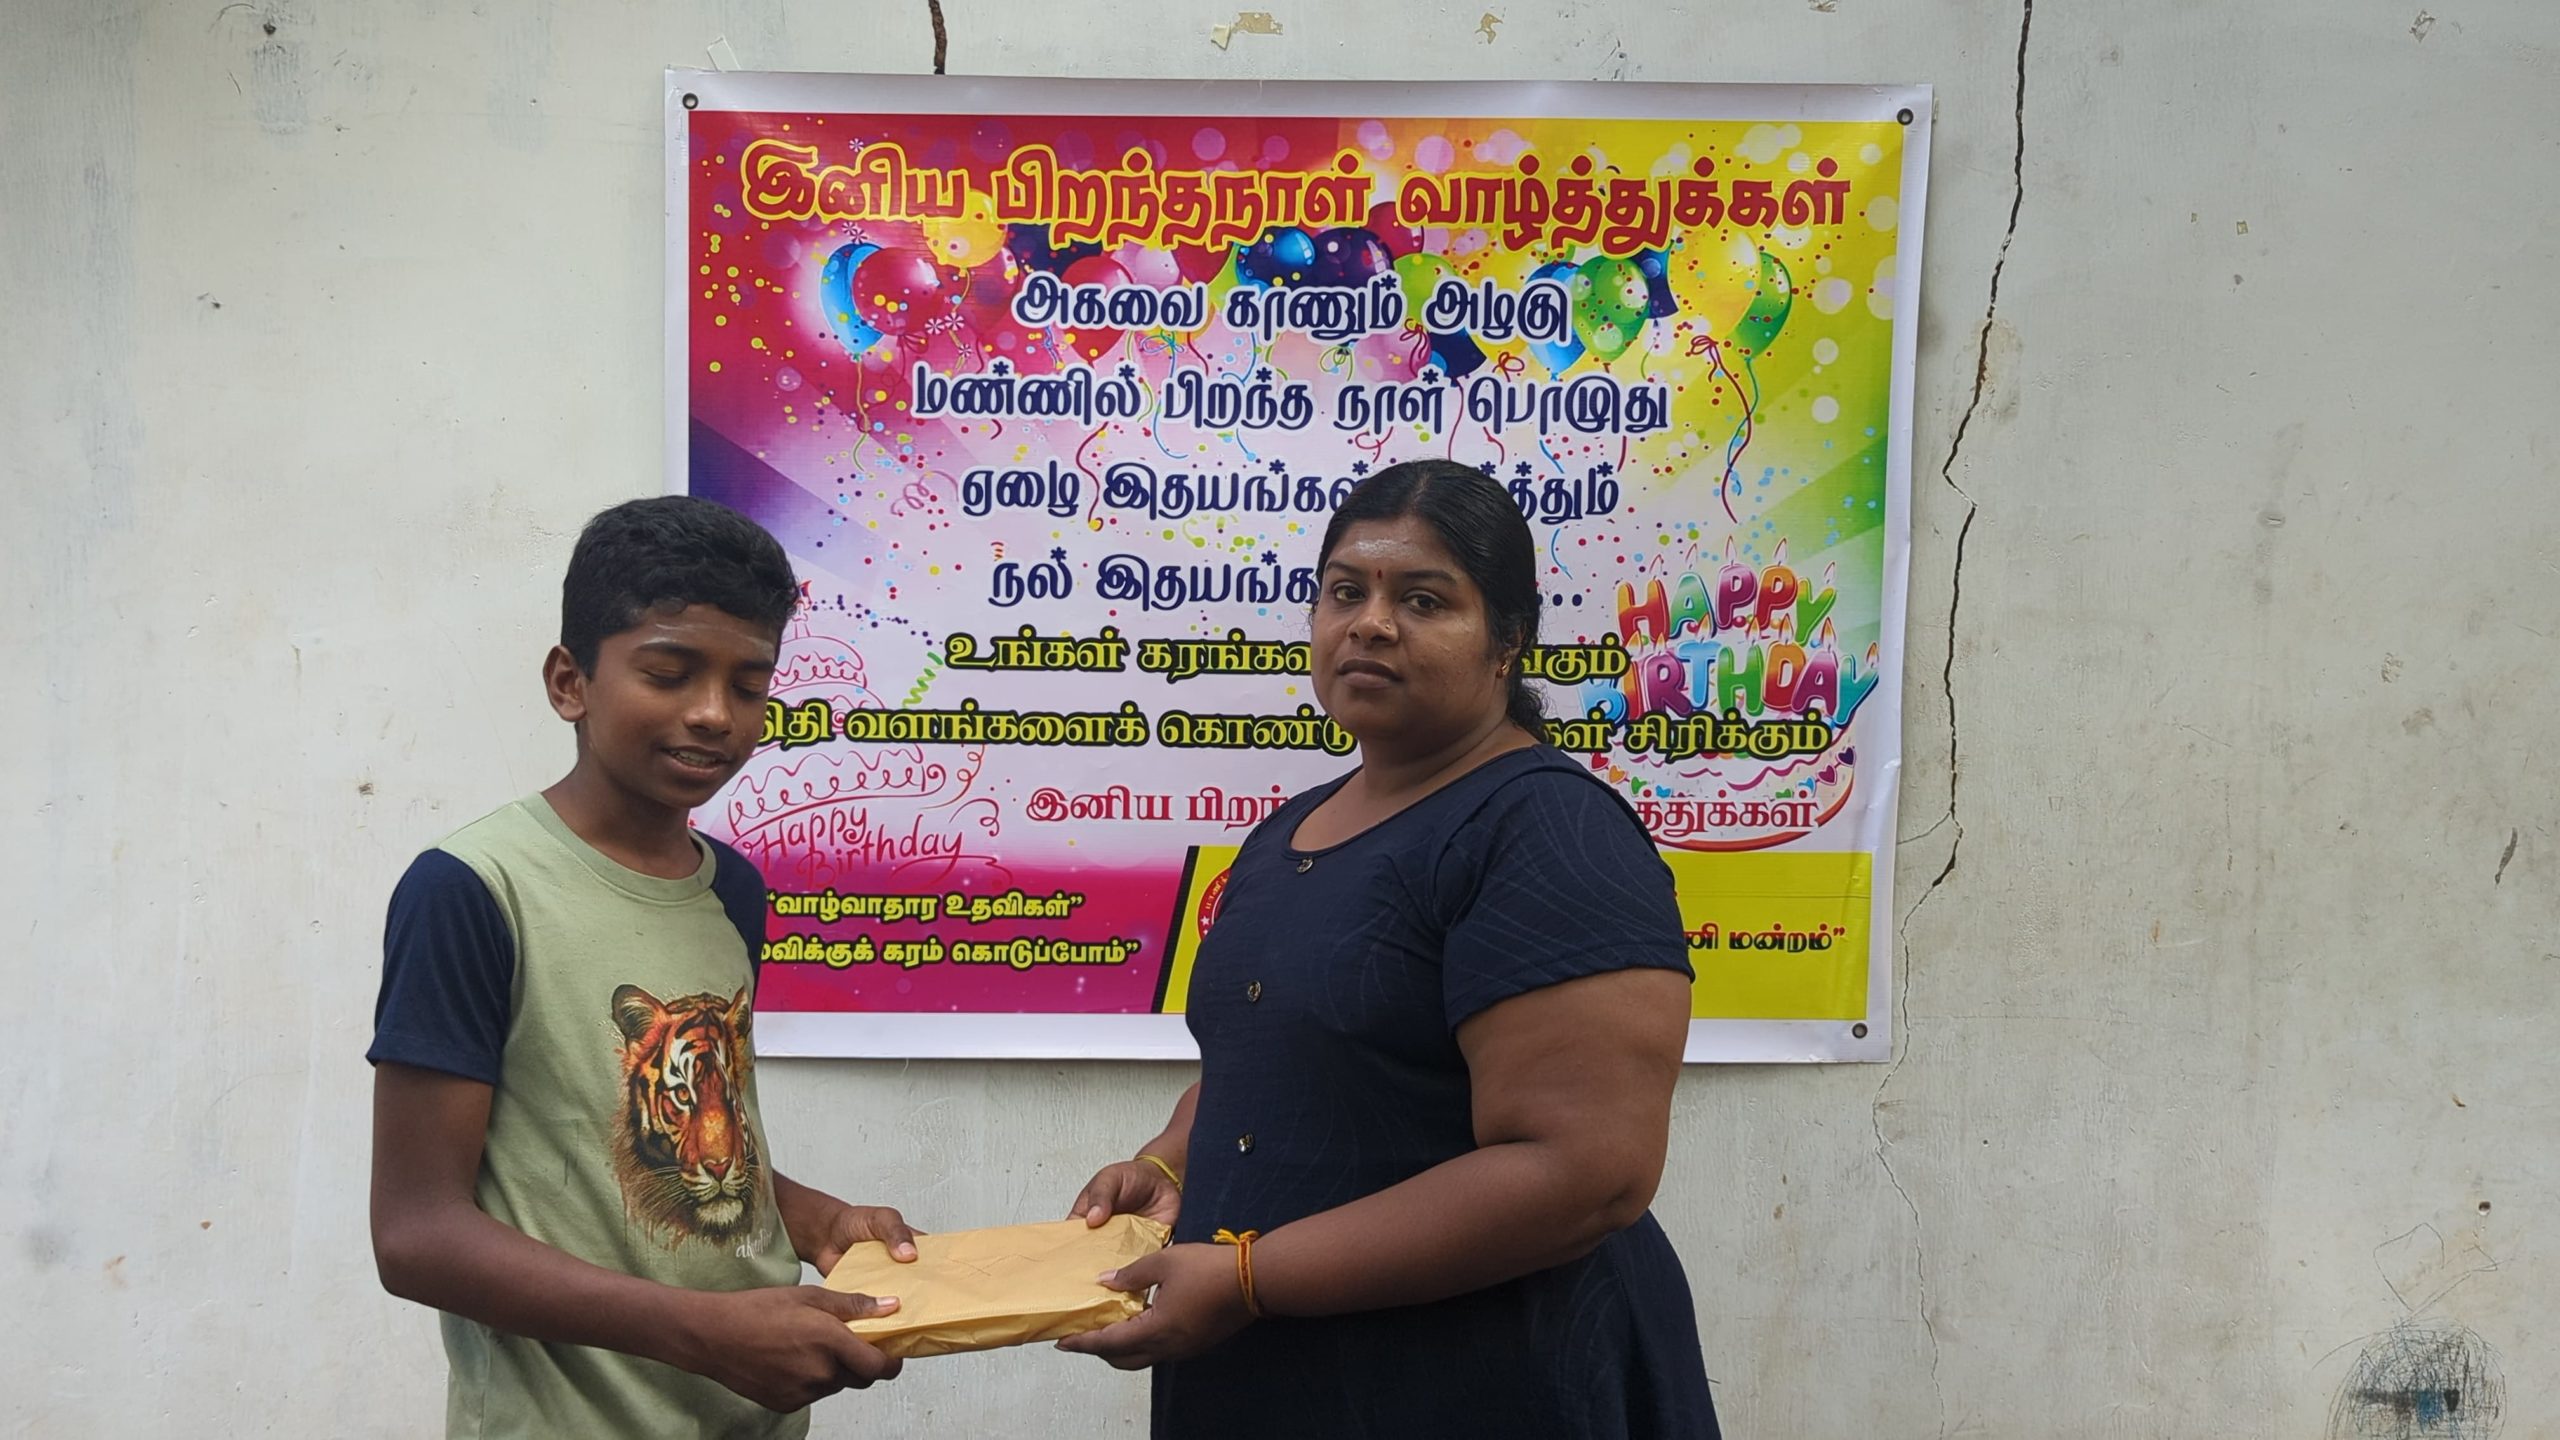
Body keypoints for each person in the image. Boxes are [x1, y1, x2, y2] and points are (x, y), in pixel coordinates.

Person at [1059, 460, 1719, 1437]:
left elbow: (1587, 1171)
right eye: (1344, 593)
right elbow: (1283, 1061)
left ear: (1507, 640)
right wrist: (1172, 1168)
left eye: (1422, 599)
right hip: (1275, 1378)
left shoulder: (1547, 830)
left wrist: (1250, 1277)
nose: (1369, 624)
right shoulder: (1288, 832)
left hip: (1483, 1379)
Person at [368, 496, 919, 1438]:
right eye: (669, 673)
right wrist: (706, 1334)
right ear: (569, 682)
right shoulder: (472, 889)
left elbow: (642, 1138)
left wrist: (813, 1220)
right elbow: (417, 1235)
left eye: (749, 686)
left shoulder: (732, 890)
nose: (712, 714)